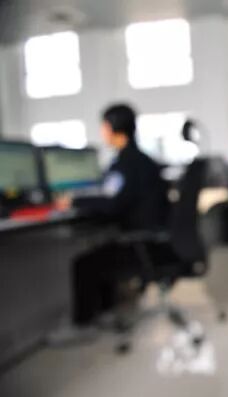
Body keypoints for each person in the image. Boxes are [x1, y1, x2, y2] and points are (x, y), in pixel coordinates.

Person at [52, 103, 169, 340]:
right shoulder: (142, 161)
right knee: (101, 251)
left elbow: (112, 203)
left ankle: (83, 326)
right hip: (157, 243)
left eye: (104, 126)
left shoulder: (125, 164)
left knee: (85, 264)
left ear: (113, 127)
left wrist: (73, 202)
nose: (102, 132)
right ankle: (105, 311)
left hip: (141, 246)